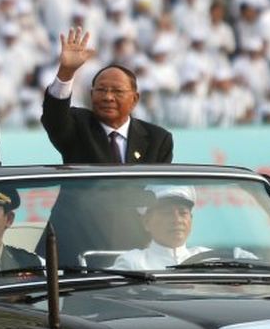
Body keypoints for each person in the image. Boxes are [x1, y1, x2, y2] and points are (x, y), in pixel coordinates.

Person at [40, 26, 175, 263]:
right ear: (91, 95)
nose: (108, 97)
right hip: (75, 244)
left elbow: (156, 195)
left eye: (116, 91)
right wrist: (66, 73)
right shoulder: (77, 125)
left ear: (135, 98)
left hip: (133, 246)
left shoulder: (157, 139)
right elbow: (54, 118)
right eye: (100, 90)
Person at [113, 185, 212, 269]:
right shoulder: (132, 263)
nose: (177, 220)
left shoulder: (207, 258)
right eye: (167, 213)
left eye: (183, 213)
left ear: (191, 219)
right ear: (146, 222)